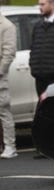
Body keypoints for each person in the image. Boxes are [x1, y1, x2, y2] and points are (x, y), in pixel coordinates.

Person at [0, 11, 17, 159]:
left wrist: (0, 71)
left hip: (0, 77)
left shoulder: (6, 26)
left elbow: (9, 53)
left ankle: (10, 146)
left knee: (3, 111)